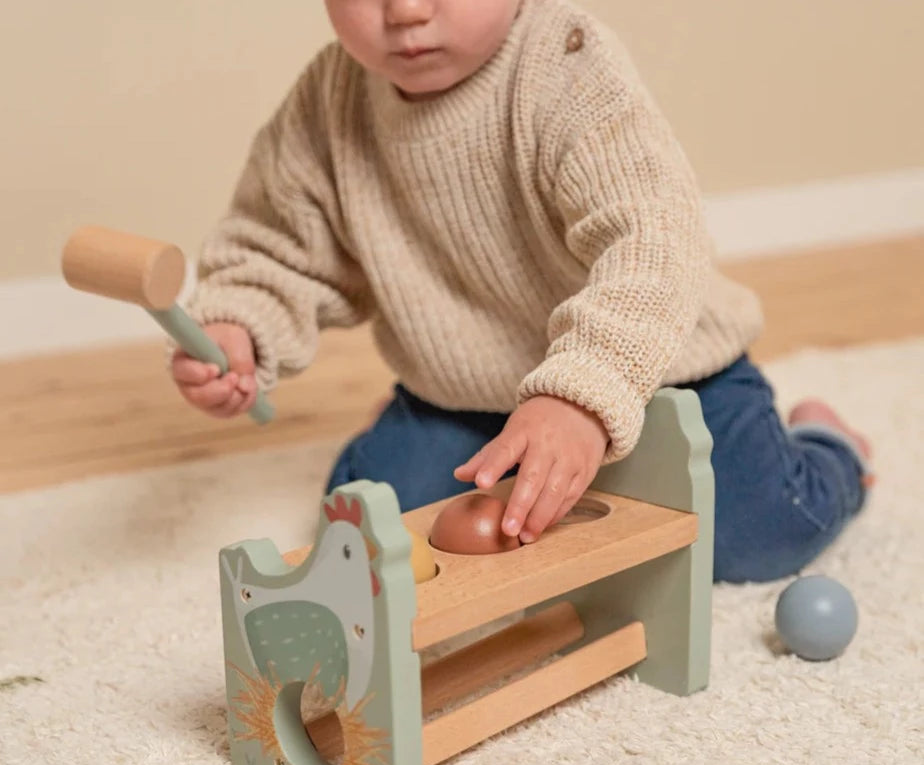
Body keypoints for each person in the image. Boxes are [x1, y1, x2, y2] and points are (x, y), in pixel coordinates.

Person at [170, 0, 871, 582]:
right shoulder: (329, 102)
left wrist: (579, 396)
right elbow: (278, 245)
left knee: (763, 529)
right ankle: (408, 420)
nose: (407, 11)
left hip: (656, 368)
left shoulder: (566, 64)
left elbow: (653, 240)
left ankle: (829, 444)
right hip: (469, 392)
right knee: (372, 530)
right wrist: (241, 327)